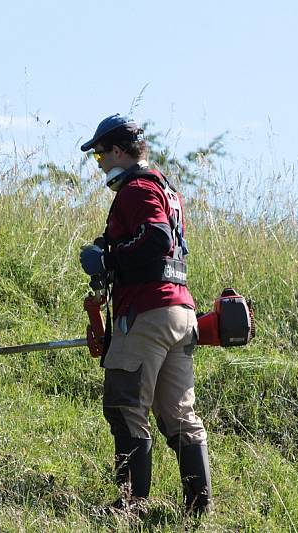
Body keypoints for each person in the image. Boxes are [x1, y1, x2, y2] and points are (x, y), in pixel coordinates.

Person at [78, 114, 211, 516]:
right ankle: (197, 512)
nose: (99, 162)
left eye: (101, 154)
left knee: (126, 407)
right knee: (179, 415)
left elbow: (155, 237)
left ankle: (130, 506)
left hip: (147, 314)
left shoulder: (136, 189)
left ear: (118, 150)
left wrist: (108, 256)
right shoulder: (164, 187)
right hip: (180, 312)